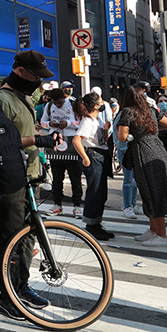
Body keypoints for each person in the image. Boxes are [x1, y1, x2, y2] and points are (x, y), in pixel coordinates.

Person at [0, 50, 56, 321]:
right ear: (19, 71)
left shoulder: (26, 98)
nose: (39, 82)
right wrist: (35, 141)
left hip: (31, 176)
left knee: (28, 237)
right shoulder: (1, 100)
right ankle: (7, 297)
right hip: (12, 180)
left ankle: (22, 286)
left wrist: (41, 137)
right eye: (35, 76)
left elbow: (23, 131)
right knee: (11, 239)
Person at [117, 86, 167, 247]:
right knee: (151, 193)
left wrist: (135, 135)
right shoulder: (151, 110)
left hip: (144, 154)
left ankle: (161, 236)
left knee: (152, 194)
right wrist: (150, 131)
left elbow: (122, 137)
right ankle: (153, 231)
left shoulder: (128, 112)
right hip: (159, 152)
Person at [71, 93, 113, 241]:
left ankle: (96, 223)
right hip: (93, 155)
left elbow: (103, 140)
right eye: (101, 101)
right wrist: (85, 158)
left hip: (100, 155)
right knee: (95, 191)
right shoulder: (87, 121)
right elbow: (76, 140)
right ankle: (91, 225)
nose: (103, 103)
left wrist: (106, 129)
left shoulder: (97, 119)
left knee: (101, 192)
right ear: (95, 105)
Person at [40, 88, 83, 218]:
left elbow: (80, 122)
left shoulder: (73, 104)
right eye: (56, 103)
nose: (58, 105)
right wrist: (50, 123)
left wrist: (68, 123)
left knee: (75, 178)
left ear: (64, 98)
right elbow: (43, 122)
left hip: (71, 145)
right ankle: (57, 205)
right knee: (57, 178)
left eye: (60, 102)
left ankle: (77, 207)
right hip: (56, 144)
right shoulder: (48, 106)